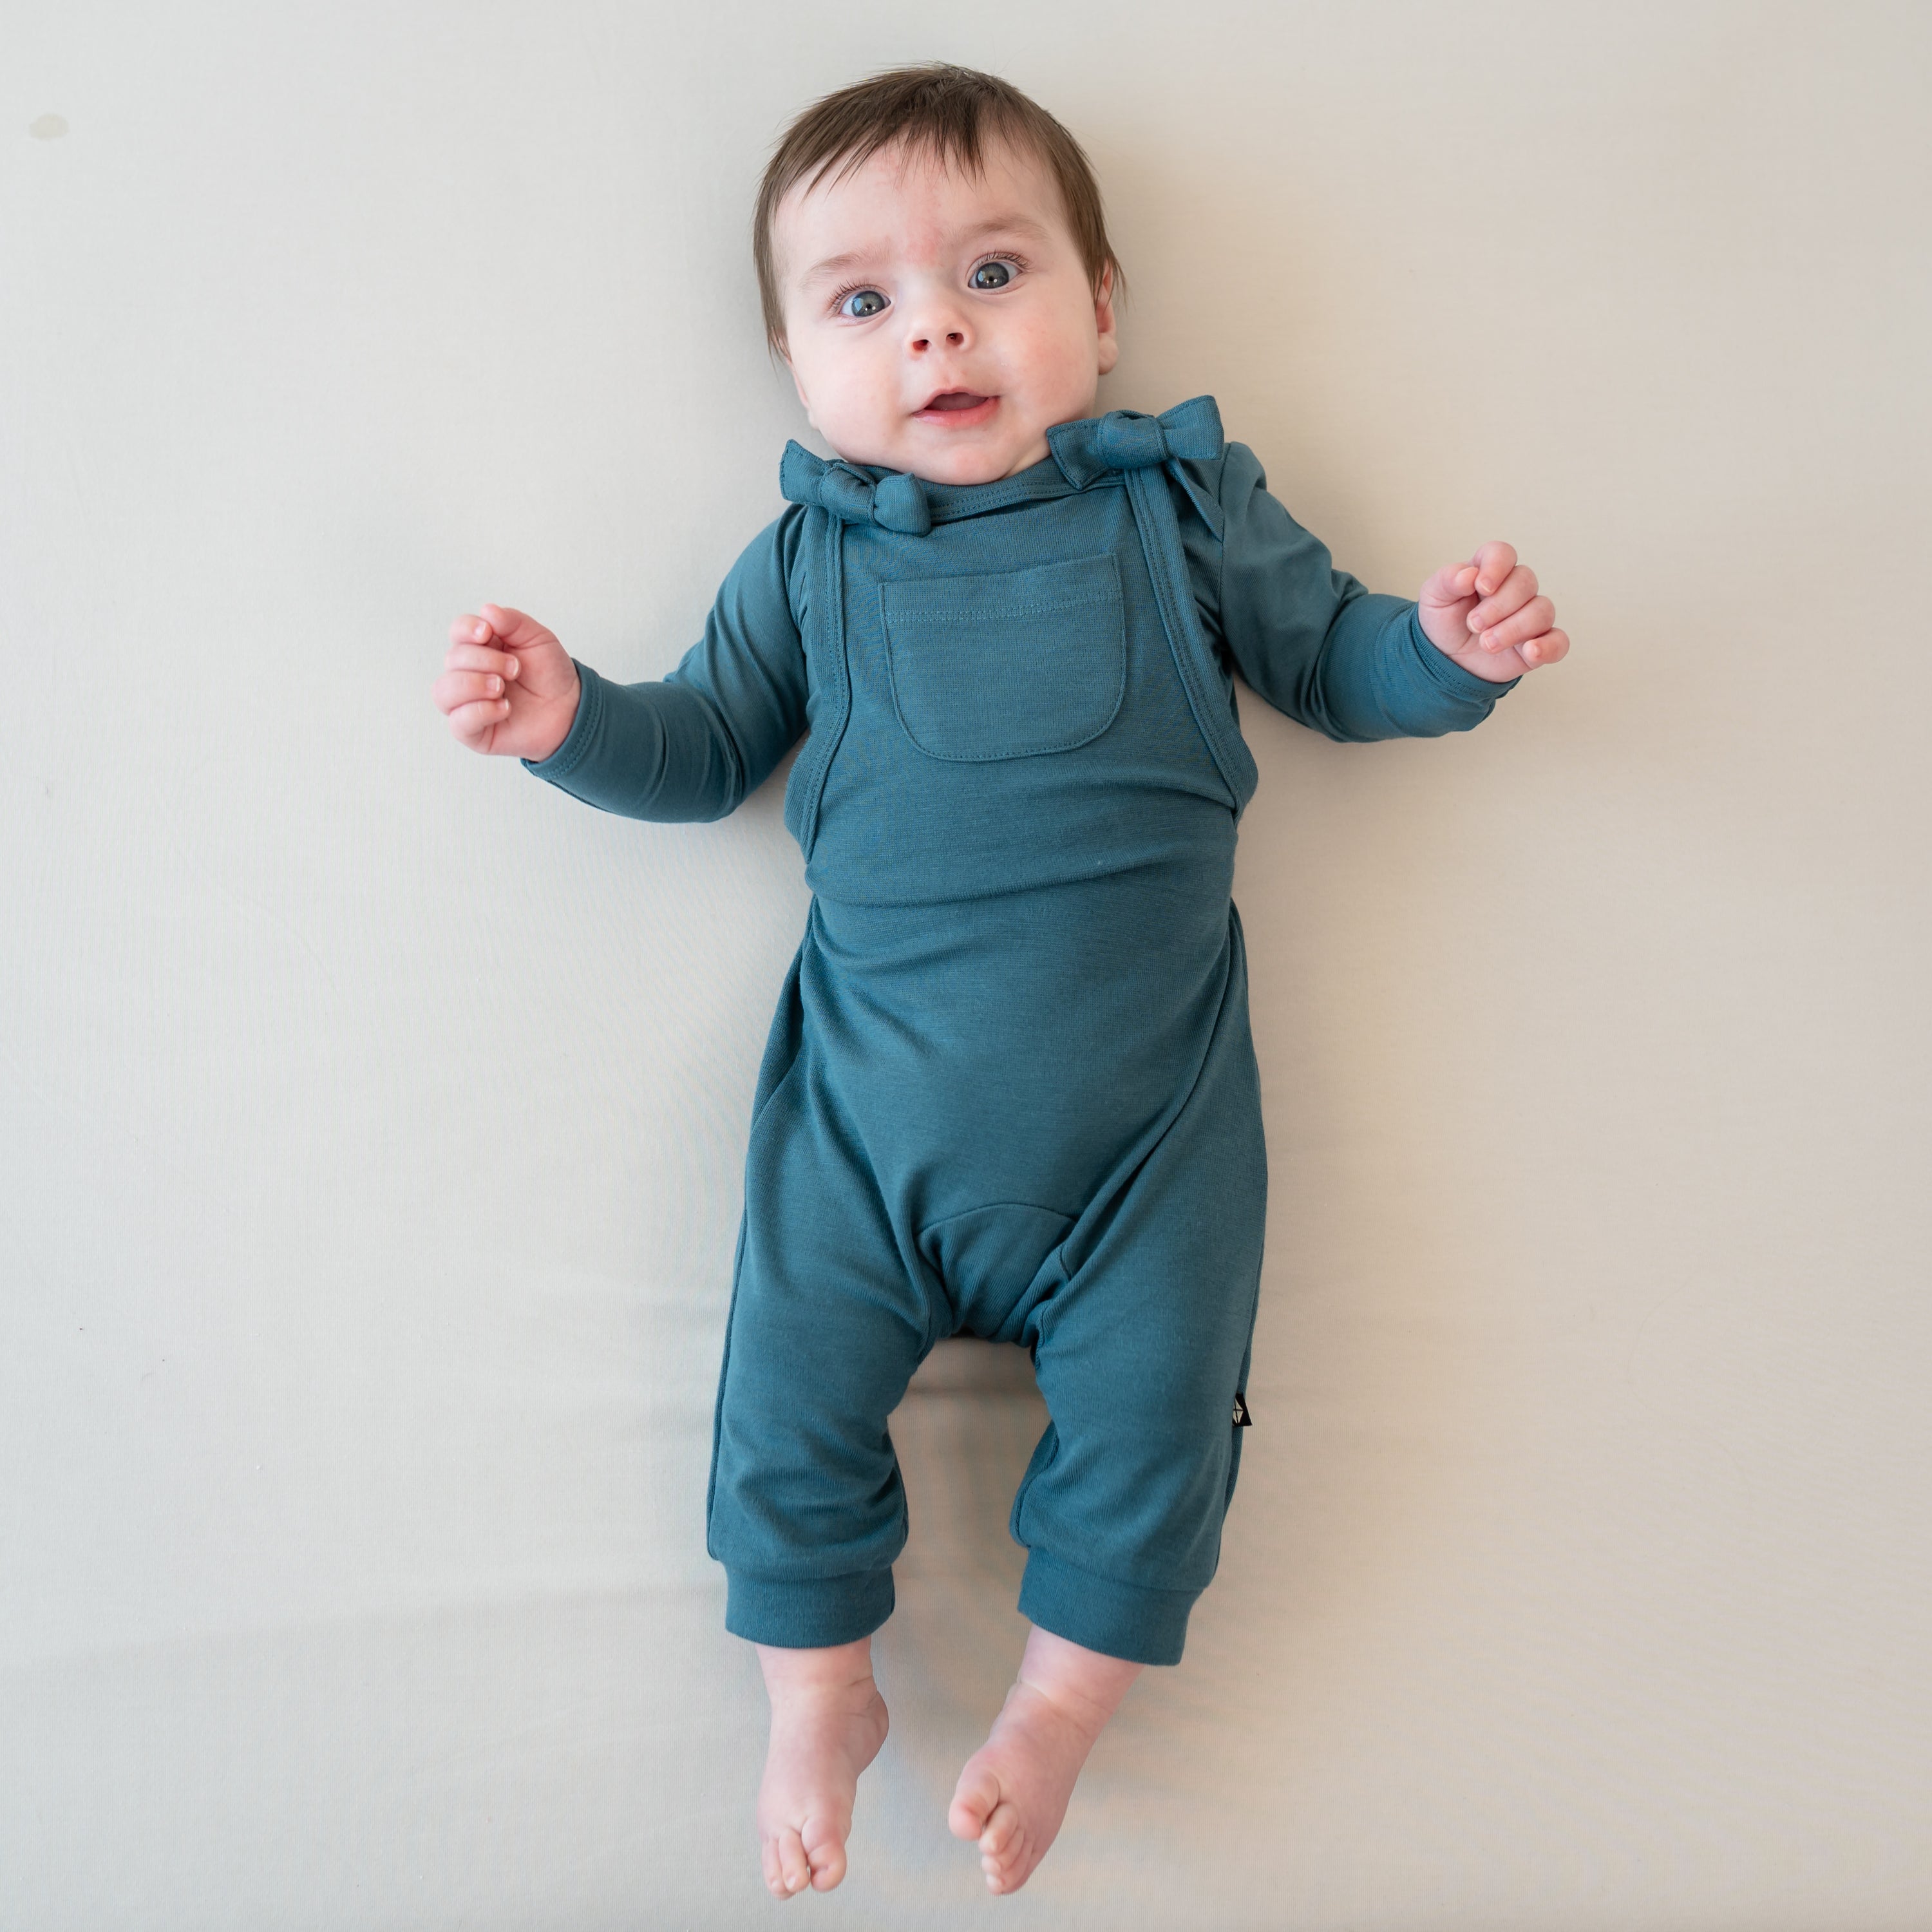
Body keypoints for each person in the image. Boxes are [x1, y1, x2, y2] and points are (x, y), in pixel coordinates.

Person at [431, 62, 1569, 1900]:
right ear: (798, 364)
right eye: (863, 302)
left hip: (1149, 1155)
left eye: (996, 272)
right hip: (868, 1137)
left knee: (1163, 1427)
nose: (938, 328)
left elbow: (1340, 662)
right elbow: (710, 747)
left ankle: (1056, 1706)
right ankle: (818, 1692)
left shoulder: (1184, 513)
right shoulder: (811, 561)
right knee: (780, 1411)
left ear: (1100, 311)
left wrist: (1439, 650)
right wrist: (575, 721)